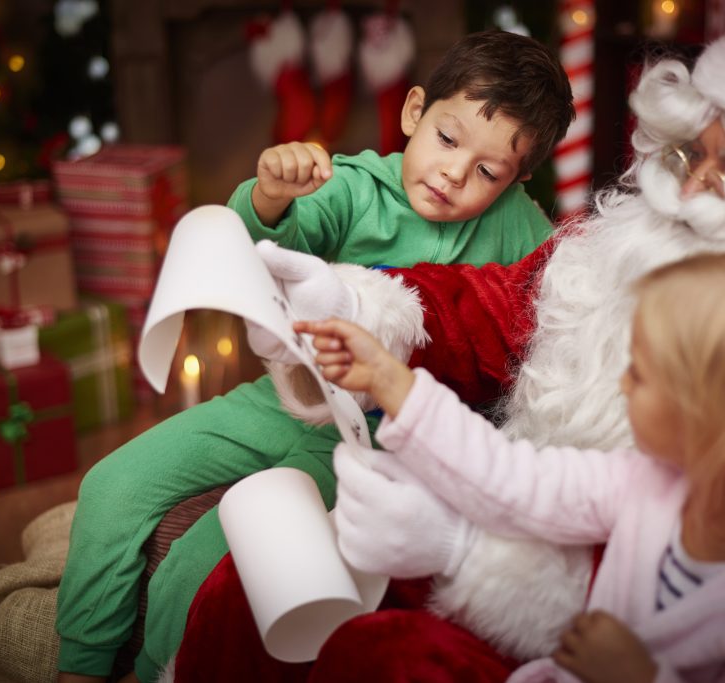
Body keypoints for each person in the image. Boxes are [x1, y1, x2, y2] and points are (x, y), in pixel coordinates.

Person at [169, 0, 725, 679]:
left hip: (564, 615)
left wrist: (465, 554)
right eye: (690, 147)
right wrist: (359, 305)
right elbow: (512, 362)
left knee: (381, 657)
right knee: (249, 590)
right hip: (500, 524)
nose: (688, 182)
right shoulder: (641, 279)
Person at [55, 29, 575, 683]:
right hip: (280, 400)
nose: (453, 173)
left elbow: (549, 308)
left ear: (517, 178)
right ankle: (79, 665)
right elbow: (255, 238)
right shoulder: (355, 187)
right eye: (448, 139)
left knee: (208, 559)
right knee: (112, 485)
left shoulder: (520, 229)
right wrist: (271, 194)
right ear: (415, 111)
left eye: (488, 171)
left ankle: (163, 667)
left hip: (371, 447)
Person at [298, 250, 725, 682]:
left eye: (644, 372)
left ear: (717, 417)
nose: (623, 381)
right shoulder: (650, 484)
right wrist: (393, 383)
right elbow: (514, 481)